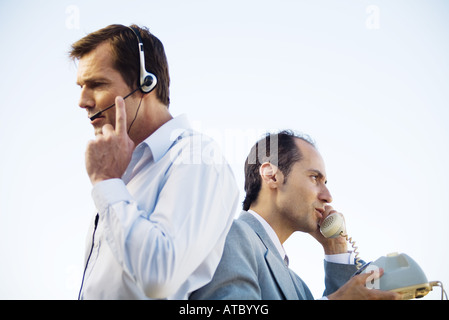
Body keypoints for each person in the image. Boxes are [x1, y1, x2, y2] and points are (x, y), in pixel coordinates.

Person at [69, 24, 239, 299]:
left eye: (97, 84)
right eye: (80, 86)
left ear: (145, 83)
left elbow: (159, 278)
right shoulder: (125, 172)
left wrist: (105, 182)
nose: (82, 101)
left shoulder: (197, 158)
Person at [190, 130, 401, 300]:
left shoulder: (300, 287)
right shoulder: (230, 235)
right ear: (271, 176)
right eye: (314, 177)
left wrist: (336, 250)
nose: (328, 196)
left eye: (325, 183)